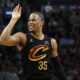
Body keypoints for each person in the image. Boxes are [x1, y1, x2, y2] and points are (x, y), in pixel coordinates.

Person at [0, 4, 67, 80]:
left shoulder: (52, 41)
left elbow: (57, 65)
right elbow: (2, 40)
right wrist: (13, 19)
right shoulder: (23, 37)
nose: (30, 22)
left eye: (33, 20)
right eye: (29, 20)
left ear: (42, 23)